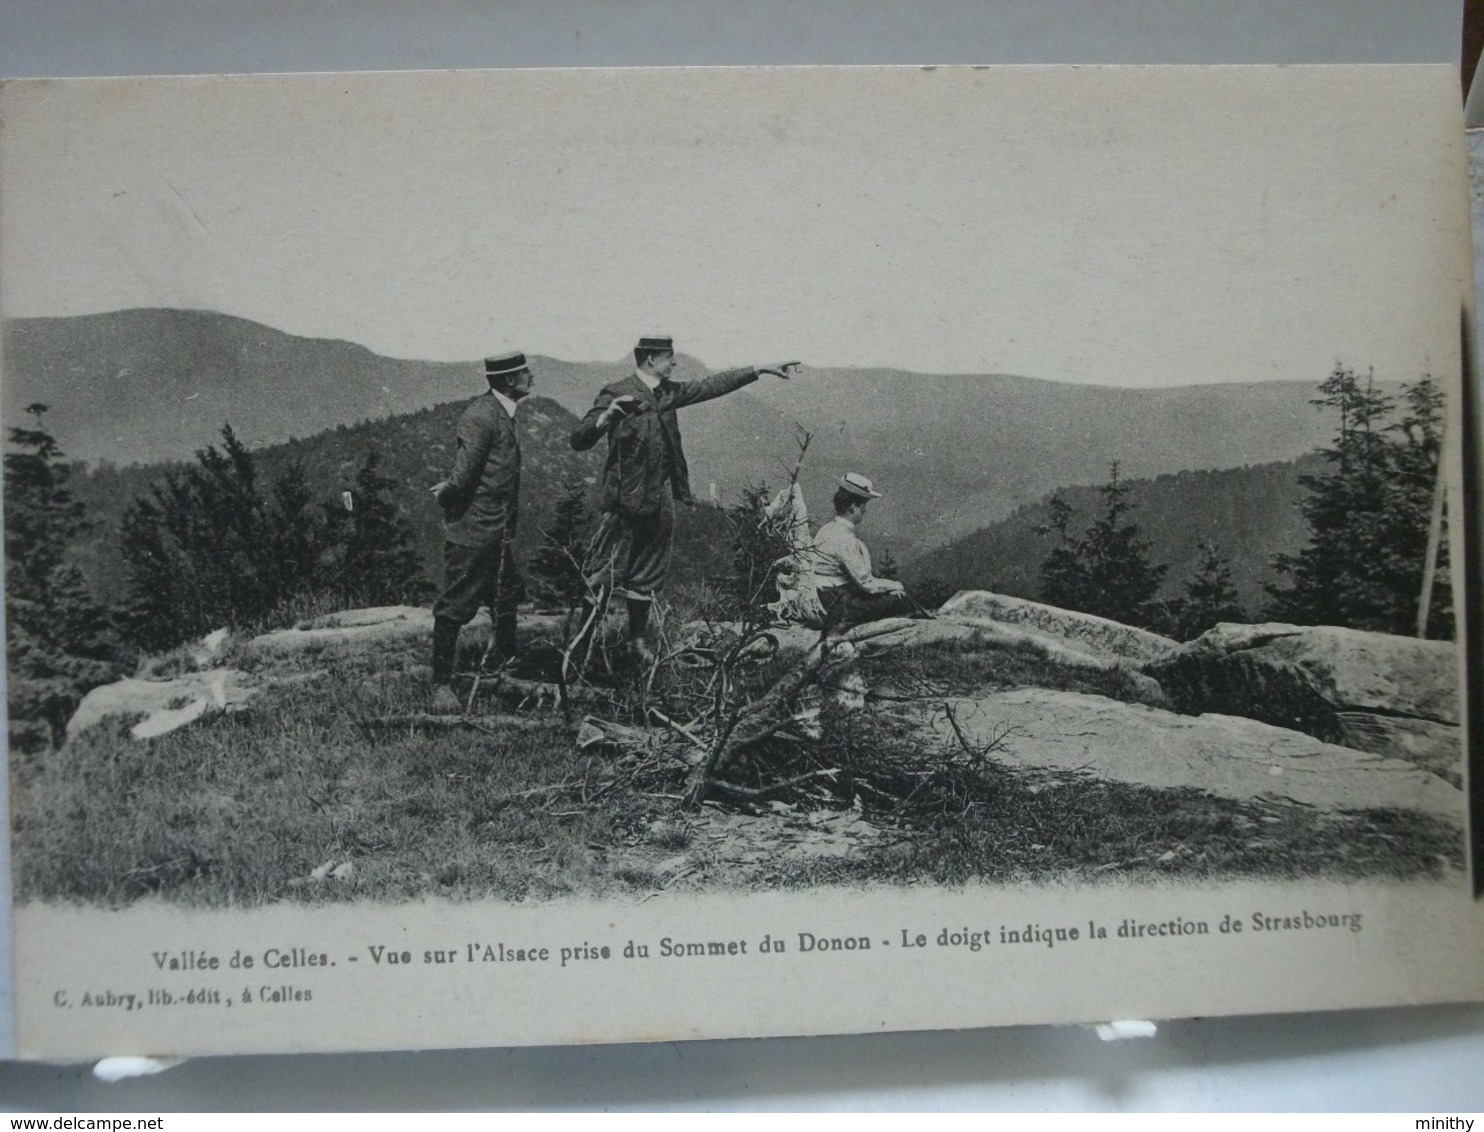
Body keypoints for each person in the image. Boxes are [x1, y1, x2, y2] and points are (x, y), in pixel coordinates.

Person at [570, 334, 799, 653]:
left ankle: (636, 643)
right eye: (668, 357)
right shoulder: (616, 392)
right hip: (623, 501)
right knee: (604, 572)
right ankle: (582, 646)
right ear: (650, 359)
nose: (674, 362)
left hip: (660, 499)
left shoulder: (668, 393)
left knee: (647, 574)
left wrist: (759, 369)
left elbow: (711, 385)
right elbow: (579, 439)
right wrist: (607, 417)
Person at [427, 351, 532, 712]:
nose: (530, 377)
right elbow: (464, 473)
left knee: (506, 596)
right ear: (506, 382)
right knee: (455, 605)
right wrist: (447, 494)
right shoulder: (481, 416)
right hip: (474, 530)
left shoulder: (500, 413)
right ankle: (441, 685)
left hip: (496, 528)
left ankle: (507, 666)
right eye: (523, 374)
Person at [803, 472, 917, 629]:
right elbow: (867, 584)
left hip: (821, 597)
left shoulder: (826, 529)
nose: (865, 510)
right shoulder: (846, 540)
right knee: (901, 599)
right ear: (853, 507)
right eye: (864, 505)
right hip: (836, 604)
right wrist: (896, 585)